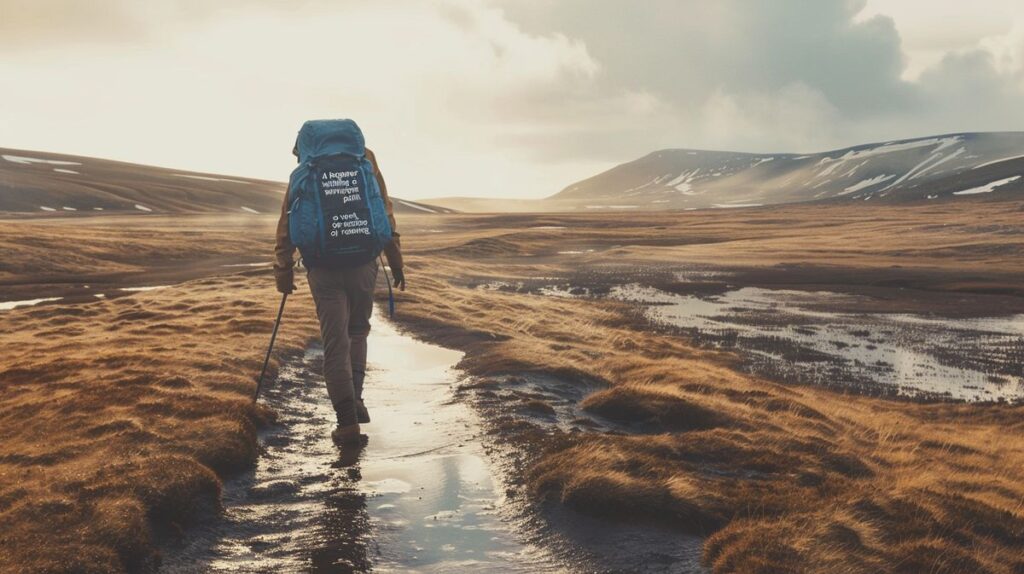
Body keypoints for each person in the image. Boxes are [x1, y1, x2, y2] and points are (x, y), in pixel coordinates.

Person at [274, 140, 405, 445]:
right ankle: (356, 399)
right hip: (363, 263)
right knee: (358, 331)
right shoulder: (365, 161)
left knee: (335, 342)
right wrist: (395, 261)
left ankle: (346, 423)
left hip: (323, 267)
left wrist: (283, 269)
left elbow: (287, 220)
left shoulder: (306, 169)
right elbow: (382, 210)